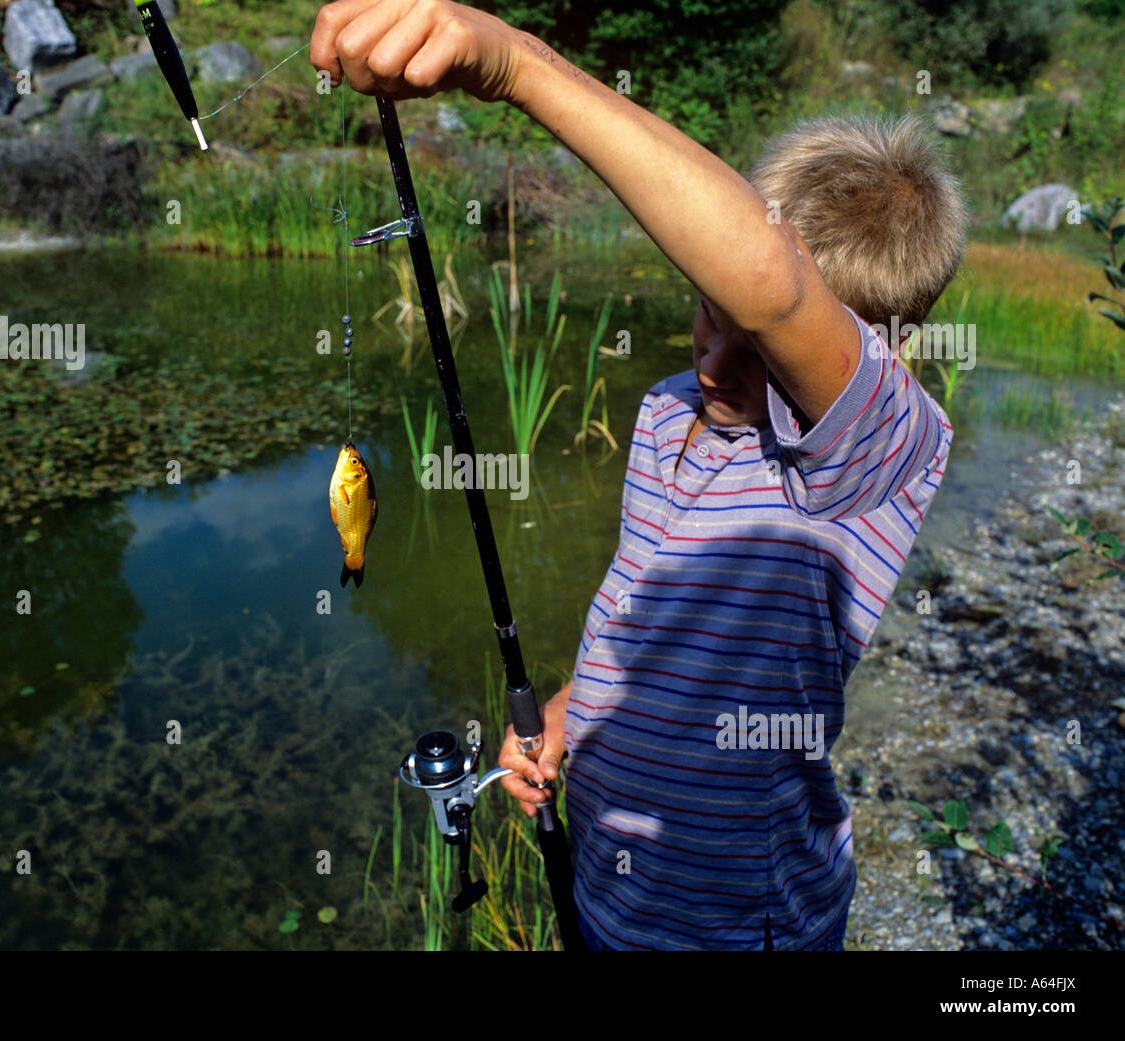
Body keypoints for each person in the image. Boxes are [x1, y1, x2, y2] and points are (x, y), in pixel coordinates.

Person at [312, 0, 965, 950]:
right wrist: (568, 717)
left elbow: (774, 285)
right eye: (707, 316)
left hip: (741, 923)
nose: (715, 363)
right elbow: (641, 615)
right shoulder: (666, 412)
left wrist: (517, 65)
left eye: (764, 353)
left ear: (880, 352)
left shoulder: (874, 453)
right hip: (616, 893)